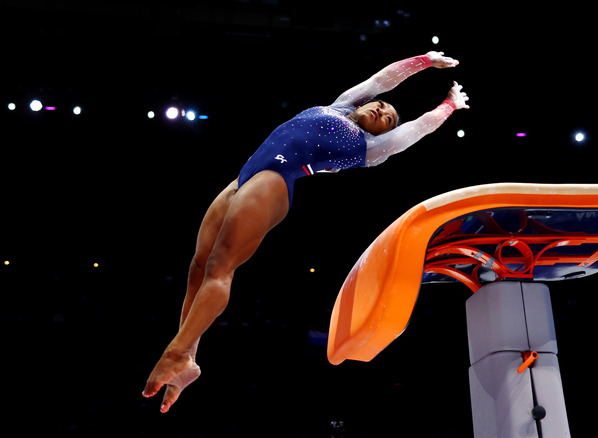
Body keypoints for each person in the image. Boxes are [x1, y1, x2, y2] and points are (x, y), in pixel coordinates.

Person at [142, 51, 469, 413]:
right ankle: (187, 358)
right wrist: (424, 60)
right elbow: (382, 79)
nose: (381, 110)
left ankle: (174, 352)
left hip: (273, 183)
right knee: (198, 269)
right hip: (242, 178)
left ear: (384, 134)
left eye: (388, 119)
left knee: (220, 266)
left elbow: (418, 127)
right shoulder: (342, 105)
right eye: (381, 106)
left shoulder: (370, 149)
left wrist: (449, 105)